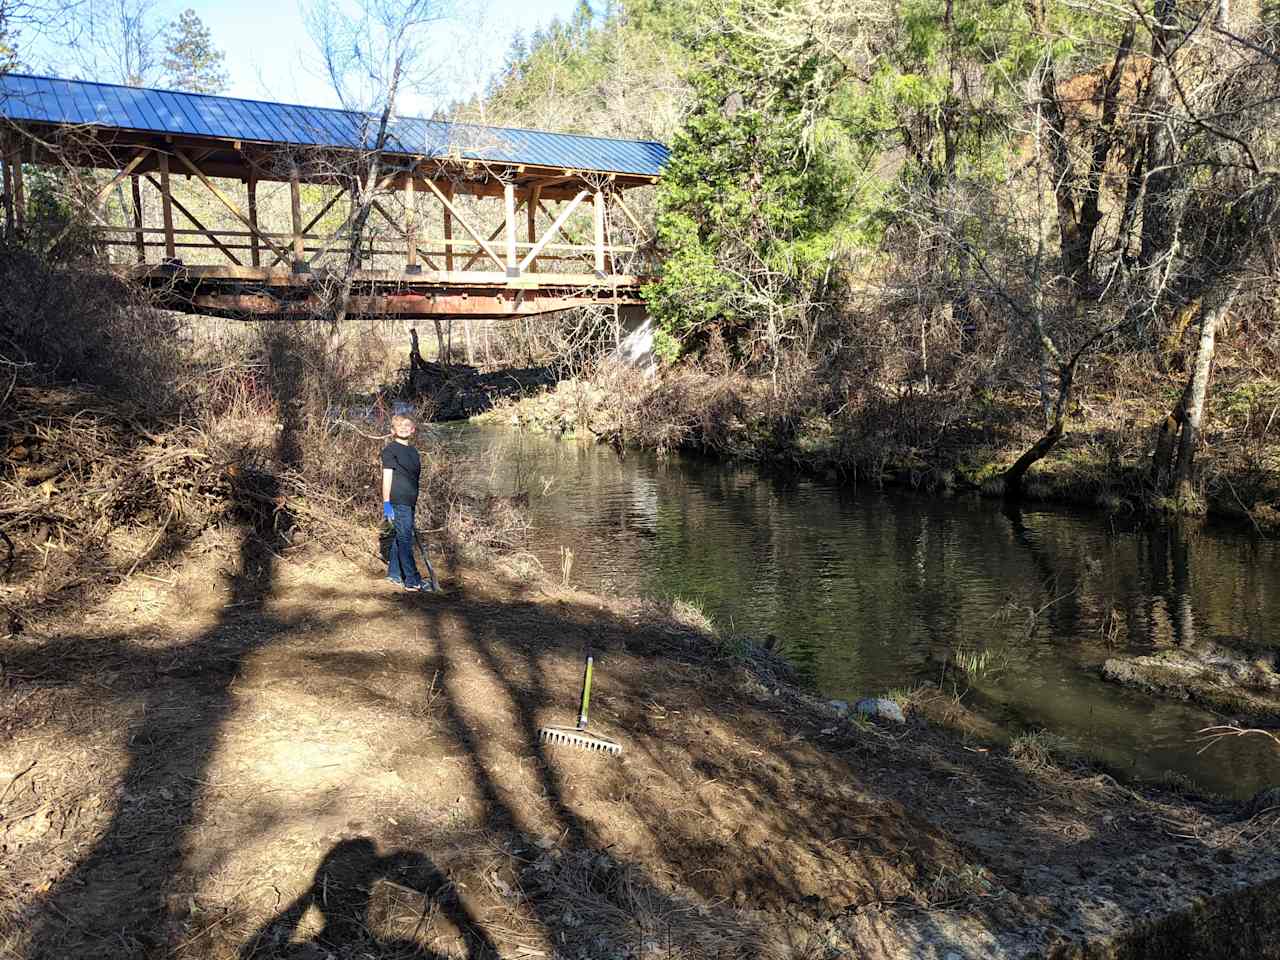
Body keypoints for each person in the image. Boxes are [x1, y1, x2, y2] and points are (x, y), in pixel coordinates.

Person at [380, 414, 429, 591]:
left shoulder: (413, 451)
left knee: (401, 536)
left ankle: (394, 574)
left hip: (410, 500)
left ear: (413, 429)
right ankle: (412, 580)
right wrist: (386, 503)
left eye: (407, 425)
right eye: (399, 425)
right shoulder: (390, 450)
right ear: (392, 431)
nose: (403, 427)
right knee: (405, 539)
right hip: (397, 500)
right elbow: (387, 476)